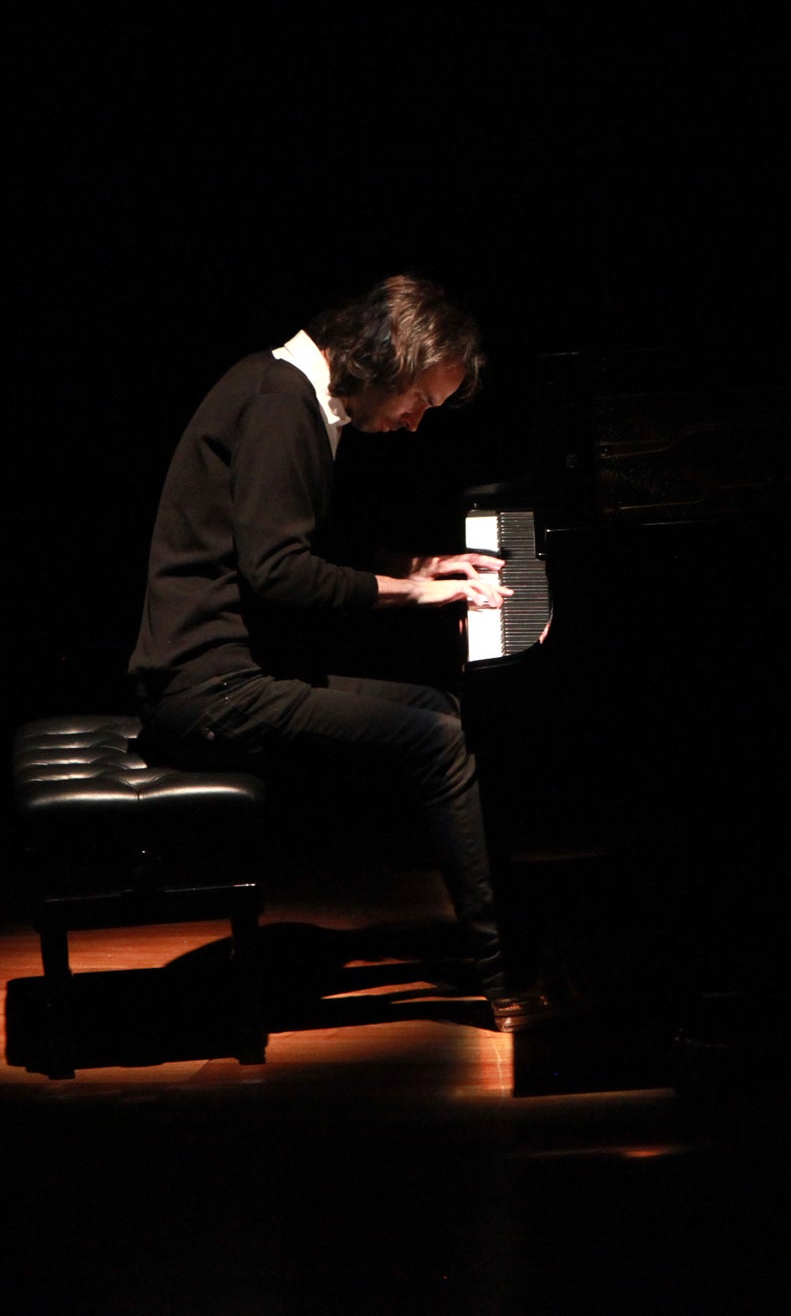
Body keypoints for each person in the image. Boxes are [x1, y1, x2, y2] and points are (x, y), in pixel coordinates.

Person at [127, 274, 569, 1031]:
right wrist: (421, 593)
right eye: (419, 400)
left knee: (439, 713)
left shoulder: (285, 390)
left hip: (236, 670)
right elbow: (279, 574)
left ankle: (496, 949)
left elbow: (306, 545)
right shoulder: (280, 403)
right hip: (209, 689)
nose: (415, 423)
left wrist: (422, 564)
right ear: (389, 360)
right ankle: (500, 978)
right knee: (436, 739)